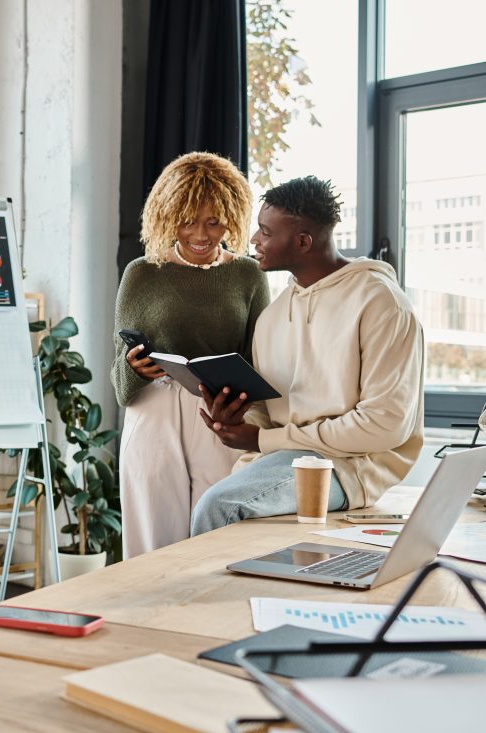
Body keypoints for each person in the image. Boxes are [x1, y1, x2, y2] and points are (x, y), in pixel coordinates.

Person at [192, 175, 424, 533]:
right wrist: (239, 421)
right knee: (214, 506)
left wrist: (263, 439)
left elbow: (384, 426)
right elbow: (269, 414)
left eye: (266, 232)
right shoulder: (272, 317)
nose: (254, 240)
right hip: (283, 458)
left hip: (348, 466)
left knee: (219, 507)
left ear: (302, 241)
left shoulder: (382, 303)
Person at [112, 152, 269, 559]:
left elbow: (261, 357)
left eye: (214, 221)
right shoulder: (141, 273)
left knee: (217, 540)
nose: (200, 234)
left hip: (220, 415)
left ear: (232, 217)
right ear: (168, 217)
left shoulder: (248, 275)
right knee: (152, 542)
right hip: (153, 411)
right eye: (187, 221)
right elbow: (118, 372)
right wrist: (134, 369)